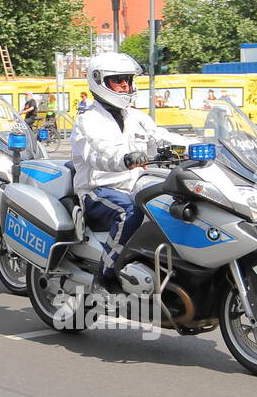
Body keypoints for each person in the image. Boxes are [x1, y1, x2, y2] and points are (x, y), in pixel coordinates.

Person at [71, 52, 186, 291]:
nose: (126, 86)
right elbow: (100, 154)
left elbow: (162, 138)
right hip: (99, 189)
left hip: (136, 186)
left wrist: (198, 147)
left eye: (129, 80)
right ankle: (106, 275)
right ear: (99, 81)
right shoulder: (88, 120)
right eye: (118, 80)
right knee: (129, 212)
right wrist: (124, 159)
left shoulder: (136, 117)